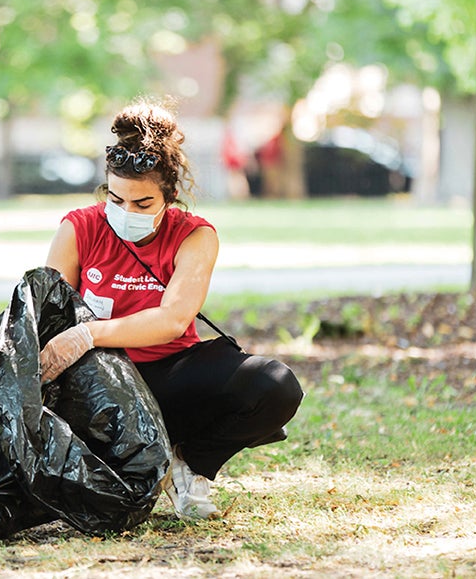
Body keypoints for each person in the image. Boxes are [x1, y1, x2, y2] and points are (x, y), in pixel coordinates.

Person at [39, 98, 304, 519]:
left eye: (142, 204)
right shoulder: (79, 228)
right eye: (116, 199)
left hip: (170, 375)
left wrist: (88, 332)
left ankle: (189, 464)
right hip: (99, 385)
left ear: (170, 195)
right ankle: (137, 463)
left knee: (275, 385)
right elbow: (45, 315)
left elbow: (173, 319)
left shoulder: (194, 236)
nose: (126, 213)